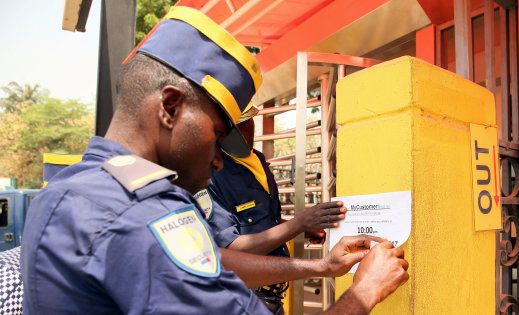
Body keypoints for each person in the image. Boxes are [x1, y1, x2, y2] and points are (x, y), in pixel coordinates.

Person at [20, 6, 408, 314]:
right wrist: (364, 292)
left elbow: (213, 261)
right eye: (217, 135)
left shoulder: (71, 189)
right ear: (170, 107)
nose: (220, 159)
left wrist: (321, 267)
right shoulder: (142, 218)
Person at [202, 117, 345, 313]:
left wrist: (302, 227)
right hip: (242, 299)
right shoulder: (211, 174)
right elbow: (232, 251)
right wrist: (299, 224)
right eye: (239, 124)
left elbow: (265, 223)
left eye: (249, 121)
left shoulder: (258, 160)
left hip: (272, 299)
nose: (248, 130)